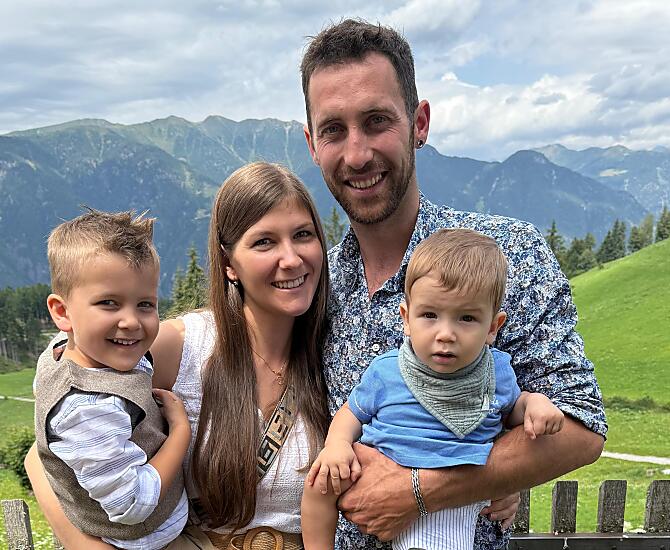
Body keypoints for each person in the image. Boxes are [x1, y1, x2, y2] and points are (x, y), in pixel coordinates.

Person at [299, 19, 607, 550]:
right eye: (333, 130)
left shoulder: (508, 255)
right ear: (312, 144)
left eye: (376, 121)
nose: (356, 154)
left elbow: (582, 428)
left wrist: (420, 491)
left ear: (419, 123)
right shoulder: (313, 286)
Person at [25, 162, 331, 549]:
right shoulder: (183, 346)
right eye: (264, 242)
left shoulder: (337, 349)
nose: (291, 259)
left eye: (303, 235)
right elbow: (46, 451)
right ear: (229, 265)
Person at [301, 229, 565, 550]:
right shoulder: (388, 370)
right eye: (429, 315)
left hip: (455, 484)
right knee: (321, 482)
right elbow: (352, 412)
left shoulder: (496, 373)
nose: (445, 334)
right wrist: (337, 445)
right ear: (406, 318)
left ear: (492, 327)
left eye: (466, 318)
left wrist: (535, 403)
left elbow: (513, 409)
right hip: (382, 466)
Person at [35, 209, 189, 549]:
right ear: (62, 312)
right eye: (109, 303)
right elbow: (132, 503)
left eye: (145, 304)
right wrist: (180, 432)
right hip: (146, 537)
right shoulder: (87, 409)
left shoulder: (61, 350)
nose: (131, 322)